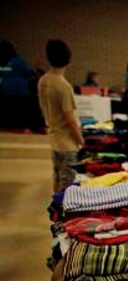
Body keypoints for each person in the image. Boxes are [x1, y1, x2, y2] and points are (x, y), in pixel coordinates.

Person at [38, 40, 83, 193]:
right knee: (69, 183)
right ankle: (64, 213)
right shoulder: (63, 86)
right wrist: (81, 140)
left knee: (57, 178)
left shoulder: (43, 81)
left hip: (54, 138)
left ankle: (55, 208)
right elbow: (69, 119)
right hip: (67, 143)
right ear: (68, 60)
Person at [0, 41, 34, 130]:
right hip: (8, 92)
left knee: (16, 113)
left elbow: (28, 73)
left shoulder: (18, 61)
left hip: (19, 92)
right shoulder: (7, 62)